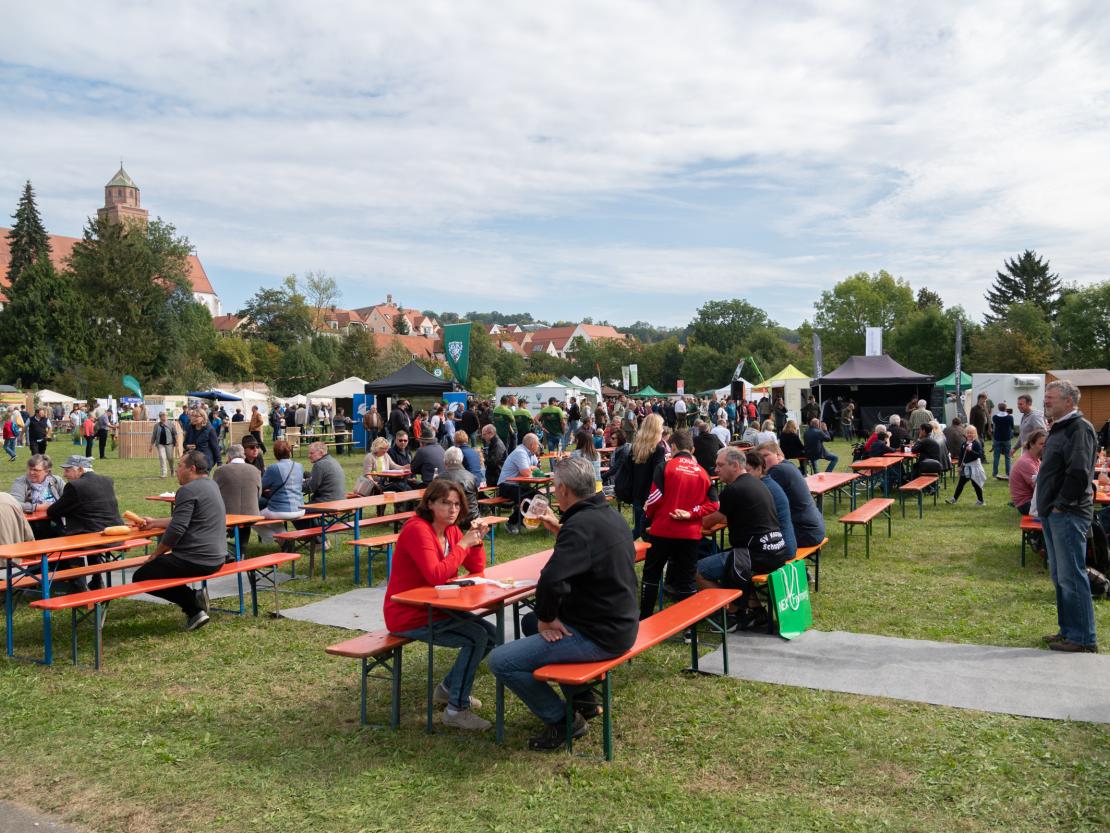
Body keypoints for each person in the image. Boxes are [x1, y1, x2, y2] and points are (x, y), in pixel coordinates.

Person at [487, 455, 639, 749]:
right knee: (529, 622)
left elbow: (551, 581)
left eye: (555, 487)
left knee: (501, 660)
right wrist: (558, 528)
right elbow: (587, 554)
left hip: (599, 634)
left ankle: (563, 721)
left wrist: (548, 618)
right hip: (620, 623)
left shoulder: (581, 526)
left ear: (565, 490)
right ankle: (583, 698)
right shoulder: (608, 516)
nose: (554, 492)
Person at [384, 480, 493, 730]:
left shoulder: (452, 530)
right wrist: (463, 544)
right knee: (476, 637)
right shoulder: (417, 529)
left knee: (490, 635)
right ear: (430, 503)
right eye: (445, 503)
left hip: (435, 607)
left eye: (456, 504)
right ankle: (456, 710)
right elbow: (435, 574)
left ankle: (446, 689)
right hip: (407, 613)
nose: (453, 509)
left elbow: (476, 568)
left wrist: (475, 541)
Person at [132, 451, 227, 631]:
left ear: (192, 468)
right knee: (159, 569)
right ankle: (195, 598)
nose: (176, 470)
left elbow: (177, 529)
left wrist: (156, 554)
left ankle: (194, 609)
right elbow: (183, 519)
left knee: (141, 576)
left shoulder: (187, 490)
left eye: (179, 466)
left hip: (196, 559)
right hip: (218, 557)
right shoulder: (211, 485)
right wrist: (154, 523)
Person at [696, 447, 788, 630]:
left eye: (720, 465)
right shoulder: (758, 483)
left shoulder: (734, 490)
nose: (716, 469)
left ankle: (732, 612)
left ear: (735, 465)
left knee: (697, 570)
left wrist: (688, 517)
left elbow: (709, 523)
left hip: (754, 556)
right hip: (777, 550)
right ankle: (755, 609)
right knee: (732, 559)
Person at [1037, 380, 1098, 652]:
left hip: (1068, 513)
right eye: (1046, 397)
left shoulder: (1079, 428)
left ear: (1069, 401)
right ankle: (1068, 631)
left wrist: (1061, 504)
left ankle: (1083, 638)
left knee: (1072, 576)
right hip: (1054, 512)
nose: (1046, 401)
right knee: (1060, 576)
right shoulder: (1061, 427)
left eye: (1051, 398)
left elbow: (1079, 472)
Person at [640, 429, 718, 619]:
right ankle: (688, 629)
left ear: (673, 447)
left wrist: (649, 517)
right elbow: (714, 504)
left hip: (662, 530)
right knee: (687, 580)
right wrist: (693, 513)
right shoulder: (702, 473)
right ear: (692, 449)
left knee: (652, 575)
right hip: (690, 534)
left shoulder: (666, 467)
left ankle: (645, 619)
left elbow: (655, 497)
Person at [46, 455, 124, 588]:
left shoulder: (75, 486)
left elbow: (53, 511)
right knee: (87, 532)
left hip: (93, 536)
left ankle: (78, 583)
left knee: (64, 539)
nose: (65, 475)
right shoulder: (107, 480)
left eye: (68, 470)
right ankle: (96, 578)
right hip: (114, 534)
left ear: (80, 469)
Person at [755, 441, 826, 548]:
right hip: (814, 529)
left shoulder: (778, 470)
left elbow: (758, 498)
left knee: (756, 541)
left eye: (766, 455)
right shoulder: (788, 466)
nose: (762, 461)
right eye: (760, 458)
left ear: (778, 455)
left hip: (805, 533)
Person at [213, 443, 261, 550]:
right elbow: (259, 493)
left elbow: (214, 494)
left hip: (228, 515)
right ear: (243, 455)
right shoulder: (255, 470)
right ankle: (242, 550)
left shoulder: (220, 471)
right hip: (252, 514)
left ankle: (225, 549)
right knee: (244, 519)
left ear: (229, 457)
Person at [629, 413, 666, 540]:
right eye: (661, 426)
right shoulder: (658, 450)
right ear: (656, 429)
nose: (663, 429)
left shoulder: (635, 447)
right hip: (650, 496)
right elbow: (658, 475)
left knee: (640, 528)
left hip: (637, 493)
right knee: (646, 531)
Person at [497, 432, 541, 533]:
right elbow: (526, 473)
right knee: (531, 499)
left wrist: (532, 468)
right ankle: (511, 523)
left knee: (537, 497)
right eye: (537, 444)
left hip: (518, 485)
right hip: (506, 485)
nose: (538, 446)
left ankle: (521, 520)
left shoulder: (530, 453)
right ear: (531, 445)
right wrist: (532, 468)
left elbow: (537, 468)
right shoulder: (520, 452)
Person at [259, 440, 305, 531]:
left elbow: (261, 486)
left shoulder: (273, 468)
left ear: (276, 454)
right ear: (290, 452)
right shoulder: (300, 466)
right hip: (300, 509)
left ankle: (281, 537)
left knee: (253, 517)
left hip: (280, 510)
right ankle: (284, 537)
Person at [947, 425, 986, 506]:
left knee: (976, 484)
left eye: (971, 433)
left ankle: (981, 501)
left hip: (974, 467)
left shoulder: (976, 444)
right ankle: (954, 499)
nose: (969, 435)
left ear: (975, 434)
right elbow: (961, 456)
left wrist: (971, 451)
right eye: (968, 433)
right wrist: (959, 466)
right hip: (966, 467)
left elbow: (979, 455)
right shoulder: (964, 444)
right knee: (961, 483)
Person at [441, 446, 479, 528]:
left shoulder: (440, 478)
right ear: (461, 460)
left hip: (451, 518)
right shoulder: (472, 477)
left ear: (445, 461)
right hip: (472, 517)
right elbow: (476, 497)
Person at [1009, 430, 1046, 516]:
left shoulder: (1036, 459)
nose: (1045, 447)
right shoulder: (1026, 462)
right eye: (1041, 444)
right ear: (1032, 444)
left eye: (1046, 444)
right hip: (1026, 504)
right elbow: (1040, 488)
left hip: (1031, 500)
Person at [150, 411, 179, 478]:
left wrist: (177, 442)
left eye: (166, 415)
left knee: (170, 458)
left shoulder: (171, 424)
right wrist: (151, 445)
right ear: (160, 417)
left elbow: (175, 434)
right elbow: (154, 435)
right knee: (162, 457)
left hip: (169, 444)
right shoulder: (156, 425)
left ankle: (172, 470)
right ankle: (164, 473)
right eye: (163, 416)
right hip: (160, 444)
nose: (165, 417)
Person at [991, 403, 1015, 480]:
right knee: (1007, 457)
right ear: (1006, 408)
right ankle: (1008, 473)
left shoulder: (995, 417)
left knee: (996, 457)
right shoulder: (1010, 417)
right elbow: (1012, 427)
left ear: (998, 408)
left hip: (997, 438)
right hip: (1007, 438)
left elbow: (994, 424)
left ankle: (995, 474)